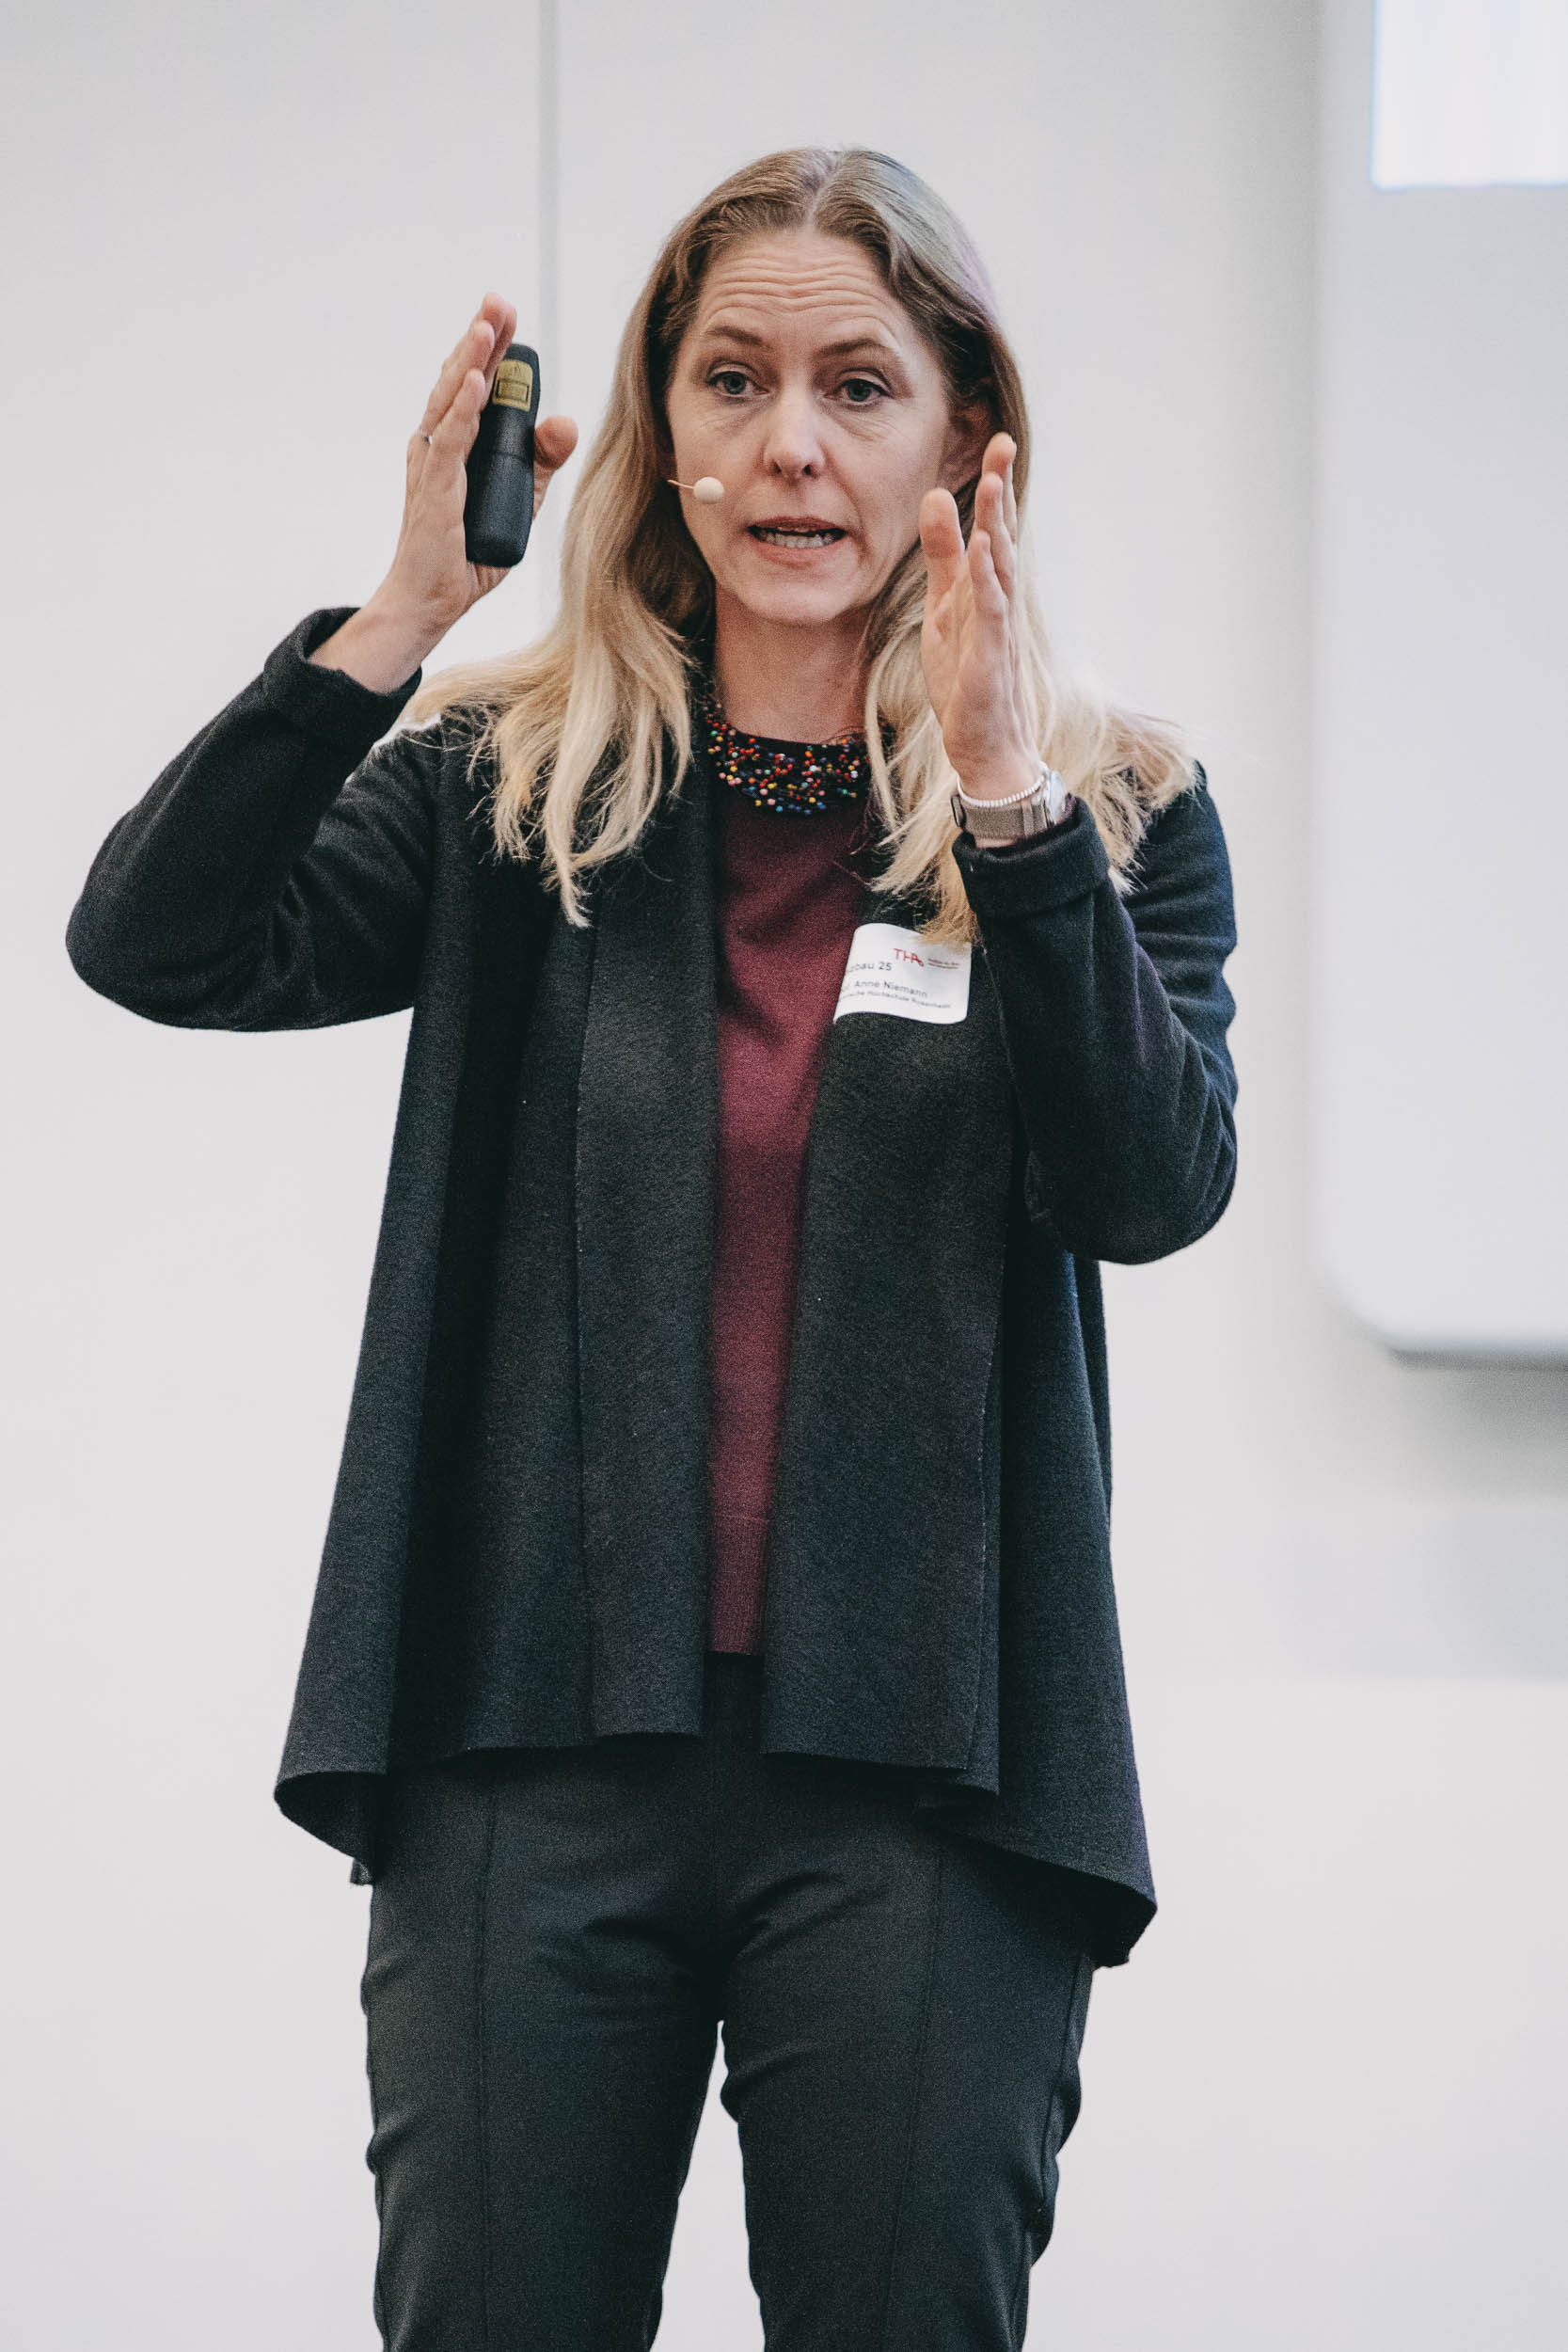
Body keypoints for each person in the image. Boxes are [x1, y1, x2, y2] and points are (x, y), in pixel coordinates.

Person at [67, 146, 1237, 2352]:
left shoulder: (1115, 812)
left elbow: (1152, 1186)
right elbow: (160, 939)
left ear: (967, 444)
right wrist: (400, 618)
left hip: (926, 1776)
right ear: (662, 430)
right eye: (731, 378)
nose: (790, 443)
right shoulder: (517, 786)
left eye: (859, 385)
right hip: (528, 1743)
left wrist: (1006, 807)